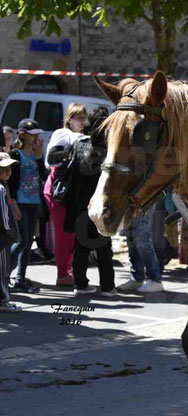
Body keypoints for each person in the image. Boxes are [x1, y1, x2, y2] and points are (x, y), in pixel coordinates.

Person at [66, 107, 117, 296]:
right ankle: (107, 286)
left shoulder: (79, 144)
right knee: (103, 246)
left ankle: (80, 284)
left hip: (81, 204)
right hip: (101, 203)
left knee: (81, 246)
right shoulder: (110, 148)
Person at [44, 103, 87, 286]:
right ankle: (62, 274)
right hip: (58, 192)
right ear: (69, 119)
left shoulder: (82, 136)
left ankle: (68, 271)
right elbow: (51, 159)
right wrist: (75, 148)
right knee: (64, 234)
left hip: (71, 192)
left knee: (72, 234)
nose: (83, 121)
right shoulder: (63, 134)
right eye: (79, 117)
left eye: (84, 117)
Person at [8, 118, 47, 293]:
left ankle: (20, 279)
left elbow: (43, 177)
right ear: (22, 135)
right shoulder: (15, 154)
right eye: (32, 135)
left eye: (36, 135)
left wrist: (39, 156)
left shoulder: (36, 153)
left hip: (34, 203)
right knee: (22, 240)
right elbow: (9, 181)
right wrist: (13, 203)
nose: (35, 138)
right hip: (20, 202)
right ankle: (4, 272)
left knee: (29, 241)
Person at [117, 211, 165, 293]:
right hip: (132, 201)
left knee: (141, 237)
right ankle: (137, 278)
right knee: (131, 236)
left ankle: (155, 279)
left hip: (143, 201)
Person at [0, 152, 20, 312]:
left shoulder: (4, 186)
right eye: (3, 168)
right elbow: (4, 216)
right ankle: (3, 301)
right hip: (2, 237)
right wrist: (9, 231)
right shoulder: (1, 189)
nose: (7, 172)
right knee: (3, 270)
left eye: (9, 168)